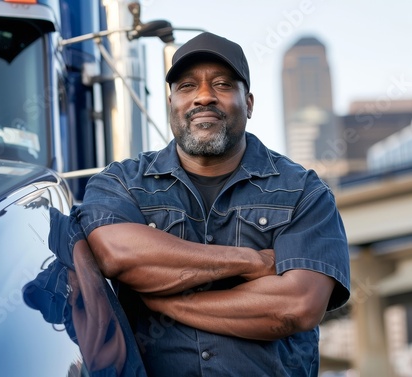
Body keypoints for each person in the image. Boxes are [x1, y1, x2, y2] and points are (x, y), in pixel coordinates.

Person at [76, 32, 350, 377]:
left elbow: (295, 306)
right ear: (172, 104)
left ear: (248, 103)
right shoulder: (121, 183)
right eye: (187, 87)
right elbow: (118, 254)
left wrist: (168, 301)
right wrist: (251, 262)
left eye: (222, 84)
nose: (204, 97)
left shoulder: (304, 192)